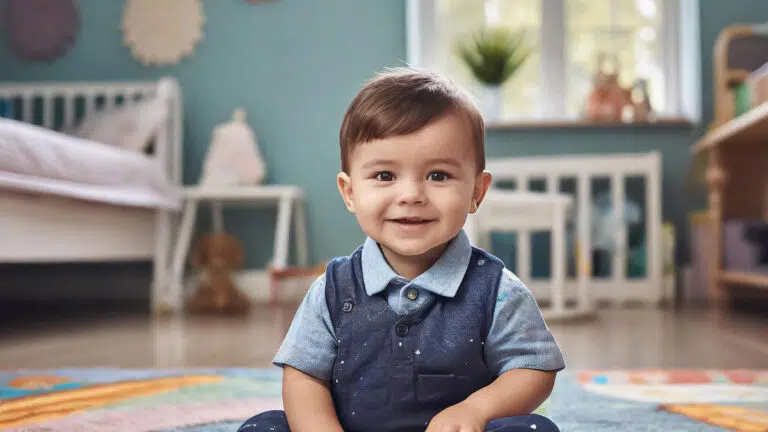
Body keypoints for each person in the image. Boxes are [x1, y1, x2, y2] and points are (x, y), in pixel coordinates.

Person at [238, 68, 565, 432]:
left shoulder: (497, 290)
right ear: (349, 192)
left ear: (476, 191)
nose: (411, 195)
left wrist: (476, 410)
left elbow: (533, 368)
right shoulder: (333, 290)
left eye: (438, 175)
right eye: (385, 176)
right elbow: (303, 376)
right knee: (264, 426)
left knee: (534, 429)